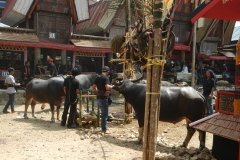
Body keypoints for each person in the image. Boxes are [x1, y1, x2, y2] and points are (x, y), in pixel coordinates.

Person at [92, 66, 114, 134]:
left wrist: (97, 91)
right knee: (105, 114)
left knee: (103, 113)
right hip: (104, 98)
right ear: (107, 72)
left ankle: (103, 127)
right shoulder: (106, 78)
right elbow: (107, 87)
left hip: (99, 97)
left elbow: (93, 87)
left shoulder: (98, 78)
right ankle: (104, 129)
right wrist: (112, 86)